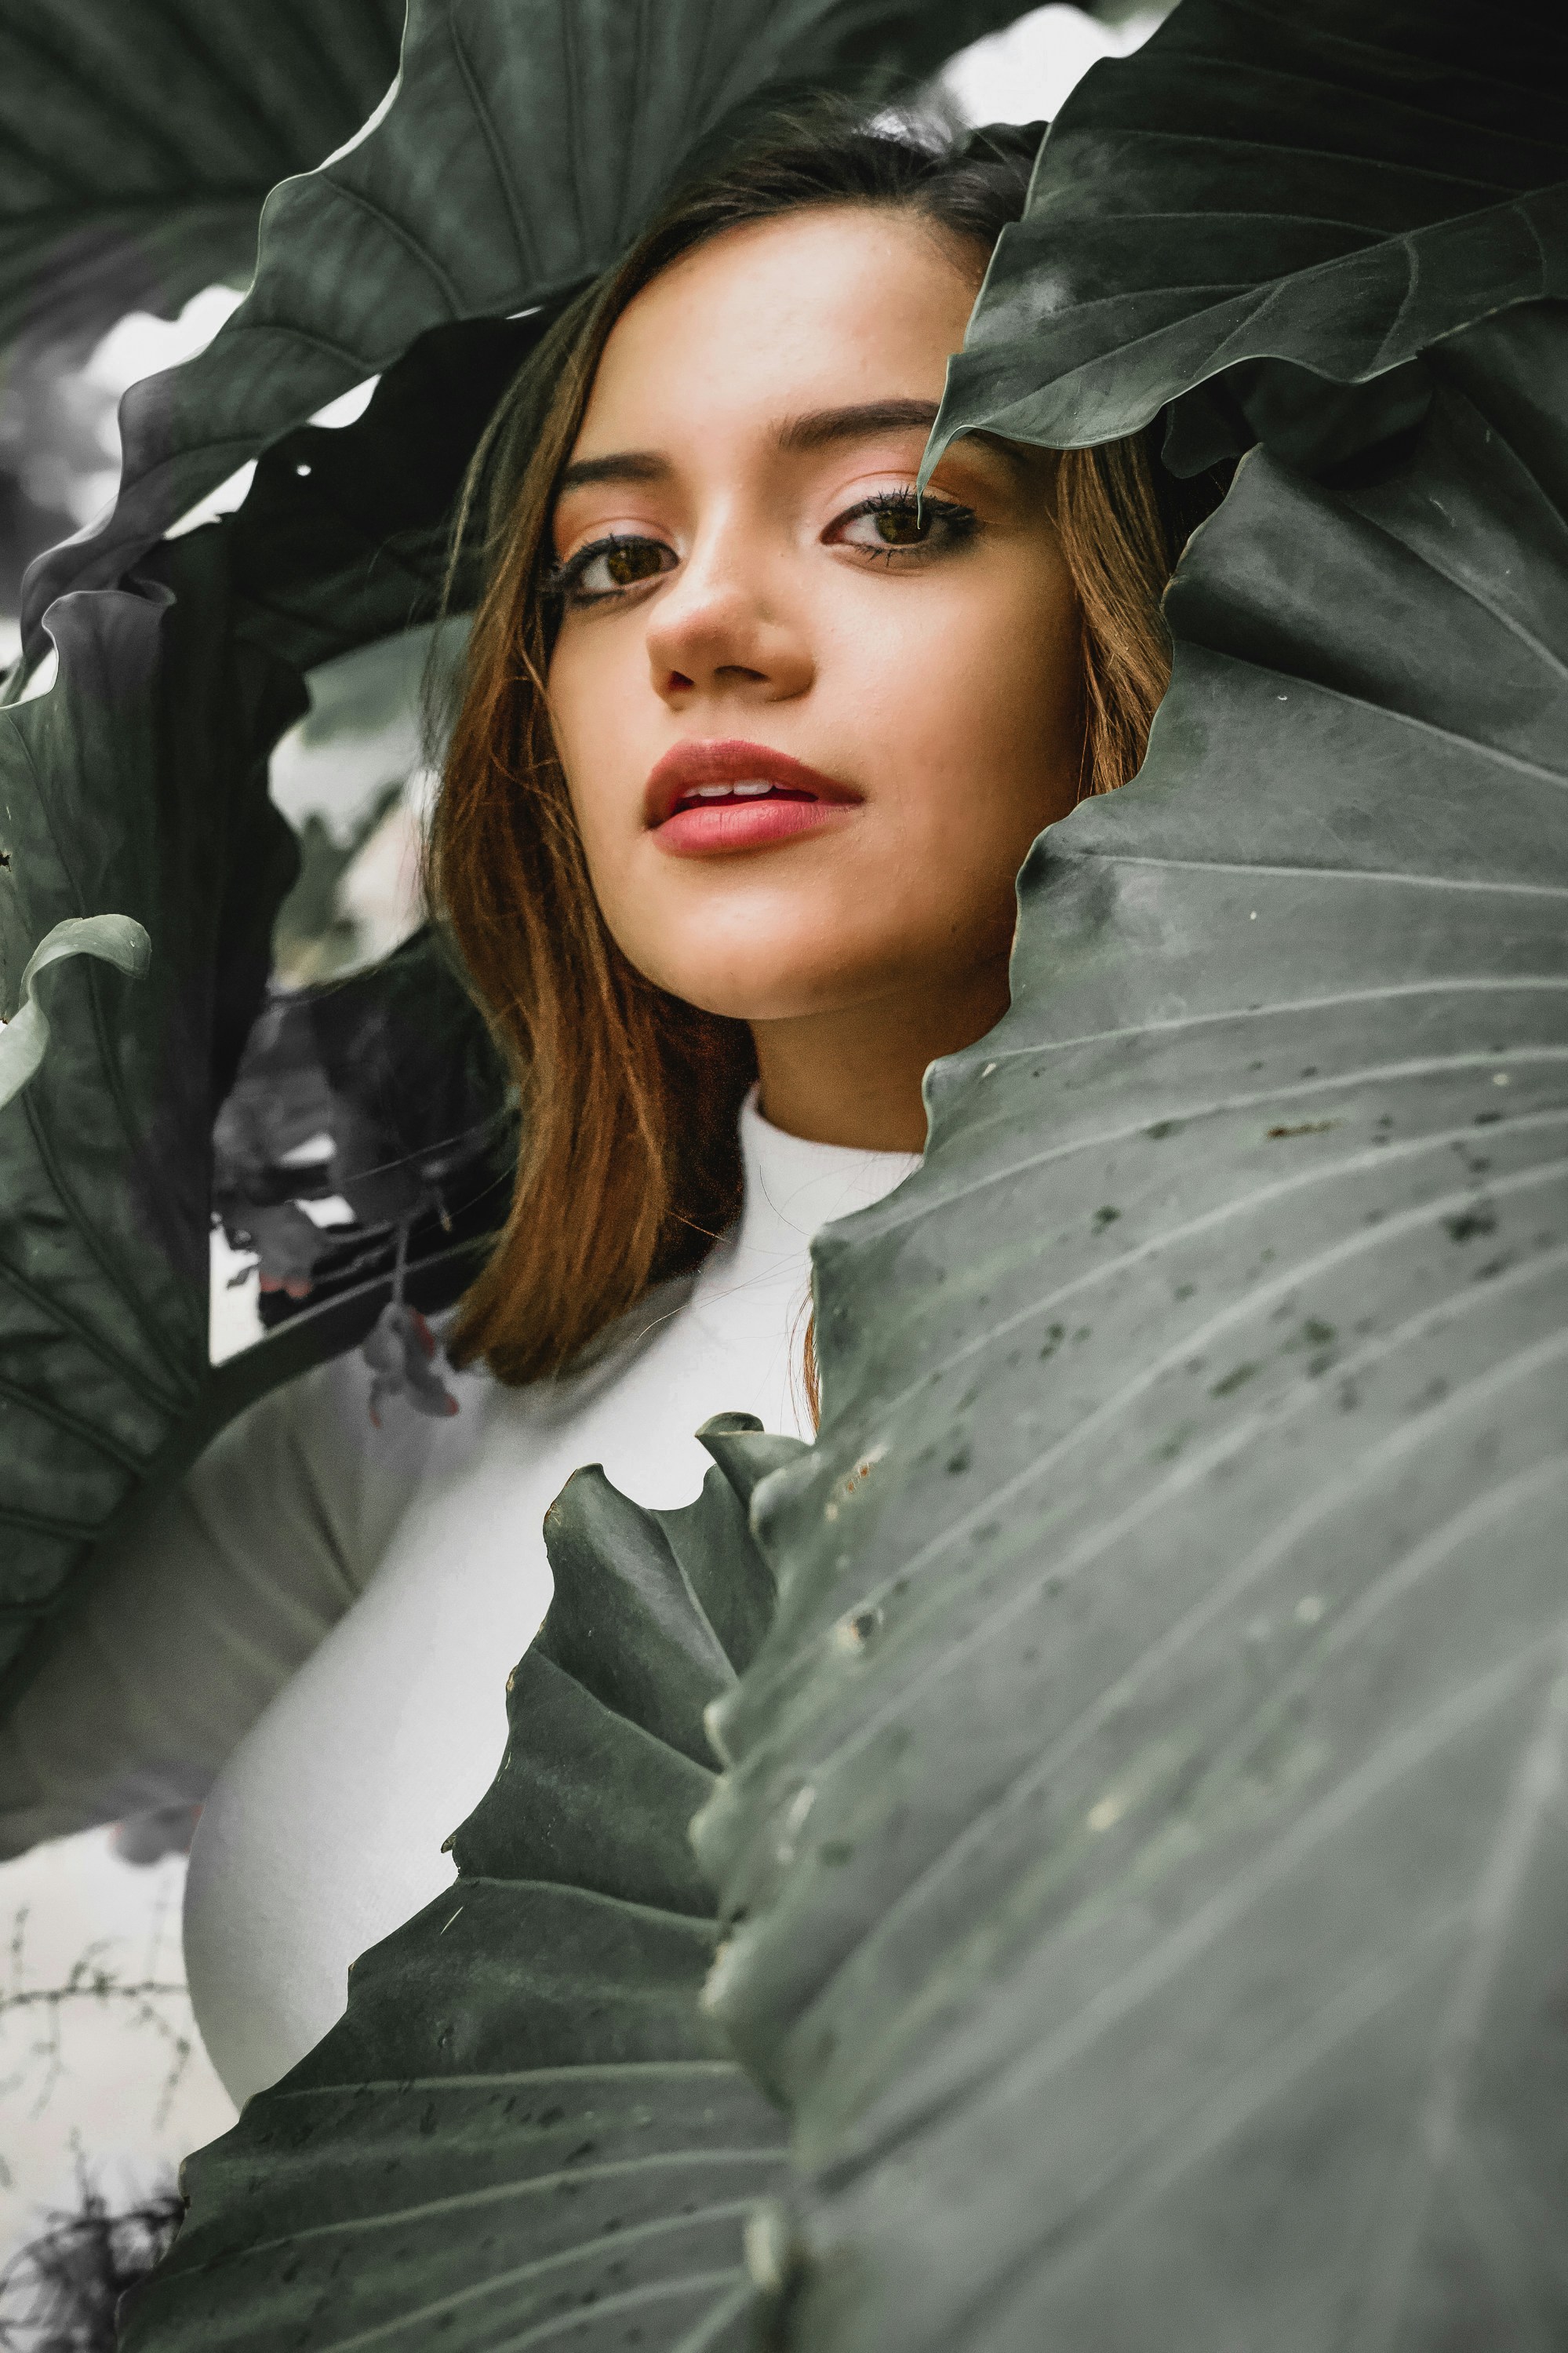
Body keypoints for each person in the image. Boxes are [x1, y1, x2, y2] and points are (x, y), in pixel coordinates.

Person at [0, 111, 1216, 2107]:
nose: (698, 629)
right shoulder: (422, 1410)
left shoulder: (1444, 1381)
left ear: (1145, 598)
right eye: (614, 556)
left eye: (891, 514)